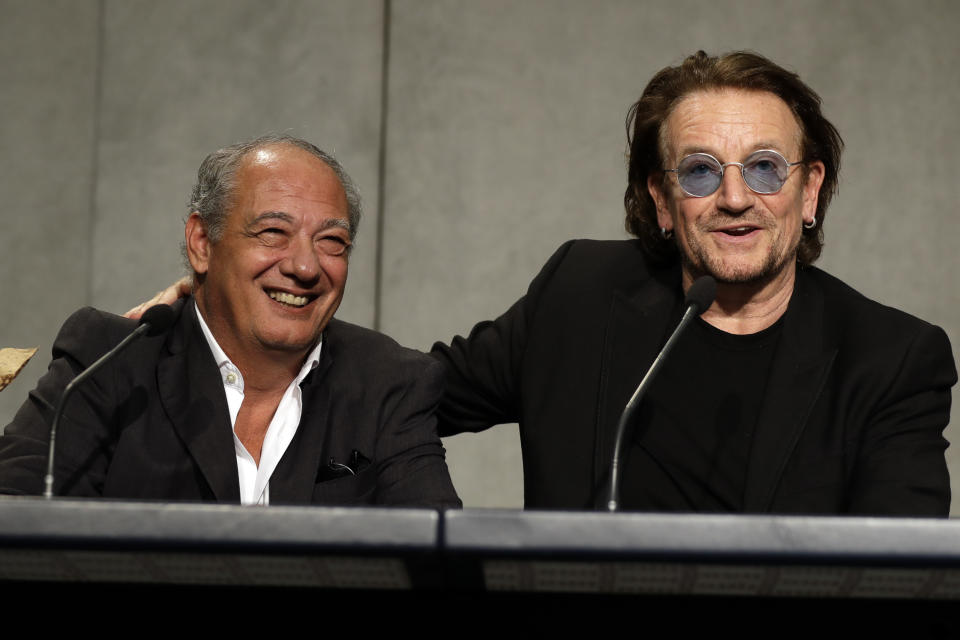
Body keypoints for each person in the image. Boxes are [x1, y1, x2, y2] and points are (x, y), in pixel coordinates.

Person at [431, 51, 956, 515]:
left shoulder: (891, 360)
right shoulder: (579, 295)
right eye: (701, 171)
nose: (734, 197)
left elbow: (894, 575)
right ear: (661, 198)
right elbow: (402, 400)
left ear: (810, 190)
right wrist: (426, 516)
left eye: (765, 168)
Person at [0, 135, 460, 508]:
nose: (304, 267)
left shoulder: (388, 382)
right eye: (273, 232)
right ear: (202, 242)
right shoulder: (109, 363)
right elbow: (16, 516)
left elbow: (438, 568)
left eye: (332, 241)